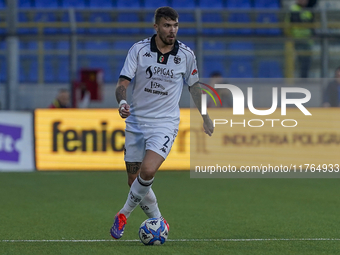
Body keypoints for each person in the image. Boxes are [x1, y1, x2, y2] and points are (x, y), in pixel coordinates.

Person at [110, 6, 214, 239]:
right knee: (132, 179)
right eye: (167, 25)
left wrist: (205, 116)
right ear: (156, 26)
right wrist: (121, 102)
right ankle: (157, 219)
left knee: (147, 171)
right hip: (136, 121)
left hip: (165, 123)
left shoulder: (186, 55)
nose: (172, 30)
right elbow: (122, 83)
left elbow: (194, 87)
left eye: (175, 25)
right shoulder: (138, 50)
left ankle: (123, 213)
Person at [287, 0, 314, 78]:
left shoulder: (308, 10)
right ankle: (300, 80)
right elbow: (296, 21)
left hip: (307, 41)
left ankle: (304, 79)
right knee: (300, 61)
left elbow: (311, 25)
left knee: (307, 62)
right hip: (297, 40)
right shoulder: (294, 8)